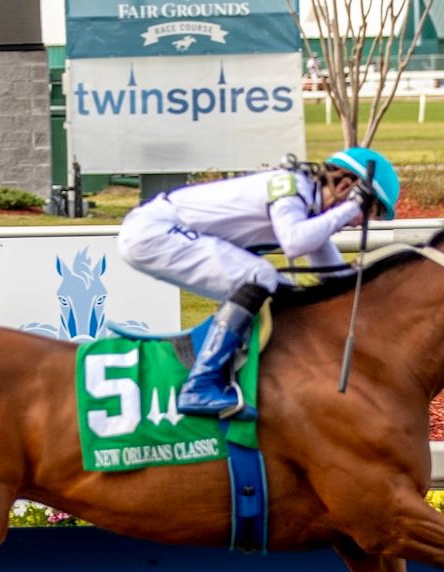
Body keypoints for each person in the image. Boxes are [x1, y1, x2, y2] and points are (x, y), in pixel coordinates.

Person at [116, 146, 400, 420]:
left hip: (161, 233)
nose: (358, 222)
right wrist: (348, 210)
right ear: (346, 185)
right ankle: (199, 385)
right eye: (367, 209)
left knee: (284, 287)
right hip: (153, 231)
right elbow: (295, 242)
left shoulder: (310, 207)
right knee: (260, 275)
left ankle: (256, 374)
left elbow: (335, 278)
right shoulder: (291, 186)